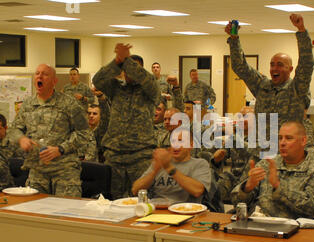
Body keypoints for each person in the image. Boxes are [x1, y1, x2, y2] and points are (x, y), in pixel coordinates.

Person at [8, 64, 90, 197]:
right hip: (37, 171)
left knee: (65, 213)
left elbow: (84, 133)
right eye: (37, 73)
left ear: (54, 81)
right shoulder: (28, 104)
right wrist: (21, 138)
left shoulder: (68, 103)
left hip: (65, 171)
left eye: (45, 74)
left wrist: (60, 149)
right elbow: (14, 129)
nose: (40, 76)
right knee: (34, 213)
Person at [225, 14, 313, 136]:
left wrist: (302, 31)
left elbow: (306, 65)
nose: (274, 68)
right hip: (261, 149)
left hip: (287, 150)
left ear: (290, 69)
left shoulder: (297, 89)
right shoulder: (262, 85)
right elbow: (240, 67)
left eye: (280, 65)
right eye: (272, 65)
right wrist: (234, 39)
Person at [92, 44, 160, 200]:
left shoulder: (150, 89)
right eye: (126, 68)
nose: (130, 71)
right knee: (112, 200)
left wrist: (126, 61)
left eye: (135, 68)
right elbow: (98, 80)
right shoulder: (116, 89)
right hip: (115, 156)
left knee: (141, 200)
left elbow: (147, 79)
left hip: (140, 156)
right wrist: (117, 61)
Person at [231, 121, 314, 219]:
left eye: (289, 138)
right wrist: (247, 188)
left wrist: (279, 187)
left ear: (303, 141)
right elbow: (236, 202)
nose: (282, 143)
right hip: (260, 224)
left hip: (297, 228)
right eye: (280, 138)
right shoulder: (267, 164)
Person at [132, 129, 216, 209]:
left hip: (184, 211)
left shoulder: (199, 164)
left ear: (191, 145)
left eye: (181, 141)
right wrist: (154, 171)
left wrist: (169, 168)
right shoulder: (161, 162)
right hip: (156, 210)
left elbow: (197, 191)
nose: (176, 145)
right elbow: (135, 190)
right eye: (173, 141)